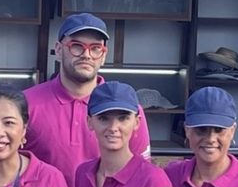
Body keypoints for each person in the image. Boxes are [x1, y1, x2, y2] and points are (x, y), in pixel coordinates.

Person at [23, 12, 151, 172]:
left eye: (96, 48)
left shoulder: (127, 110)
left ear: (104, 55)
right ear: (58, 49)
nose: (86, 55)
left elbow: (141, 172)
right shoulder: (26, 103)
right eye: (77, 46)